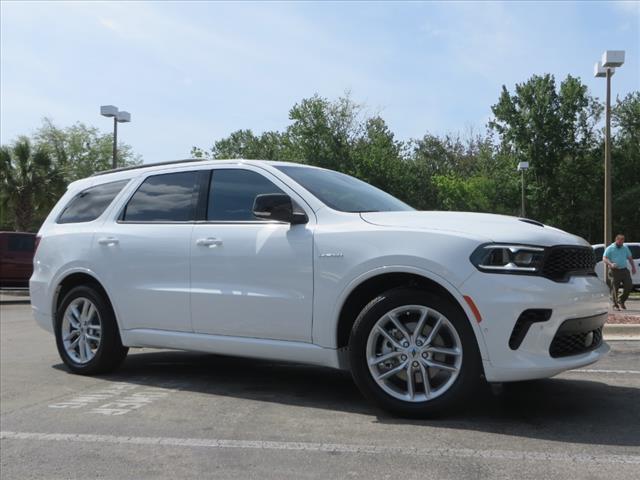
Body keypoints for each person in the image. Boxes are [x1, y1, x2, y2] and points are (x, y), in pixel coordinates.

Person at [603, 233, 637, 310]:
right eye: (620, 242)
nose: (621, 244)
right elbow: (604, 258)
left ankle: (621, 300)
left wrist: (633, 267)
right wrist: (611, 264)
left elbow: (630, 258)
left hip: (624, 270)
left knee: (629, 285)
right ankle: (615, 305)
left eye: (622, 242)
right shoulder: (610, 248)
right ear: (616, 240)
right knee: (615, 288)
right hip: (614, 271)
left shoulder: (625, 247)